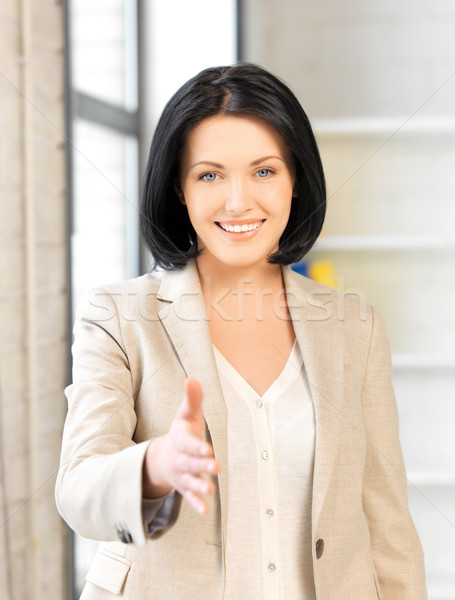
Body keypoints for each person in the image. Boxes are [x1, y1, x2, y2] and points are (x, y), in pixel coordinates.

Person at [55, 63, 427, 599]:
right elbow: (77, 490)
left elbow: (387, 522)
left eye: (264, 171)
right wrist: (155, 465)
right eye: (209, 174)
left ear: (296, 180)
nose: (238, 201)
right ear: (179, 189)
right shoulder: (118, 317)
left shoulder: (355, 327)